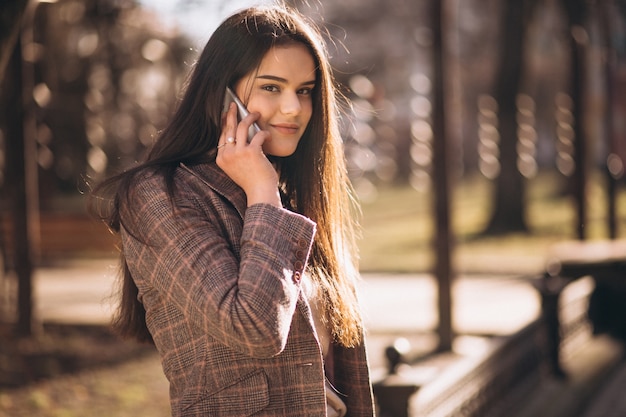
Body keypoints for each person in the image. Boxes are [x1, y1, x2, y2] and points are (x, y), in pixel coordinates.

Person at [90, 3, 375, 416]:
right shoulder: (160, 195)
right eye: (272, 87)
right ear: (222, 93)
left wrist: (267, 192)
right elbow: (255, 328)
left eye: (304, 90)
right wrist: (261, 191)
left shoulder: (293, 199)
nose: (294, 108)